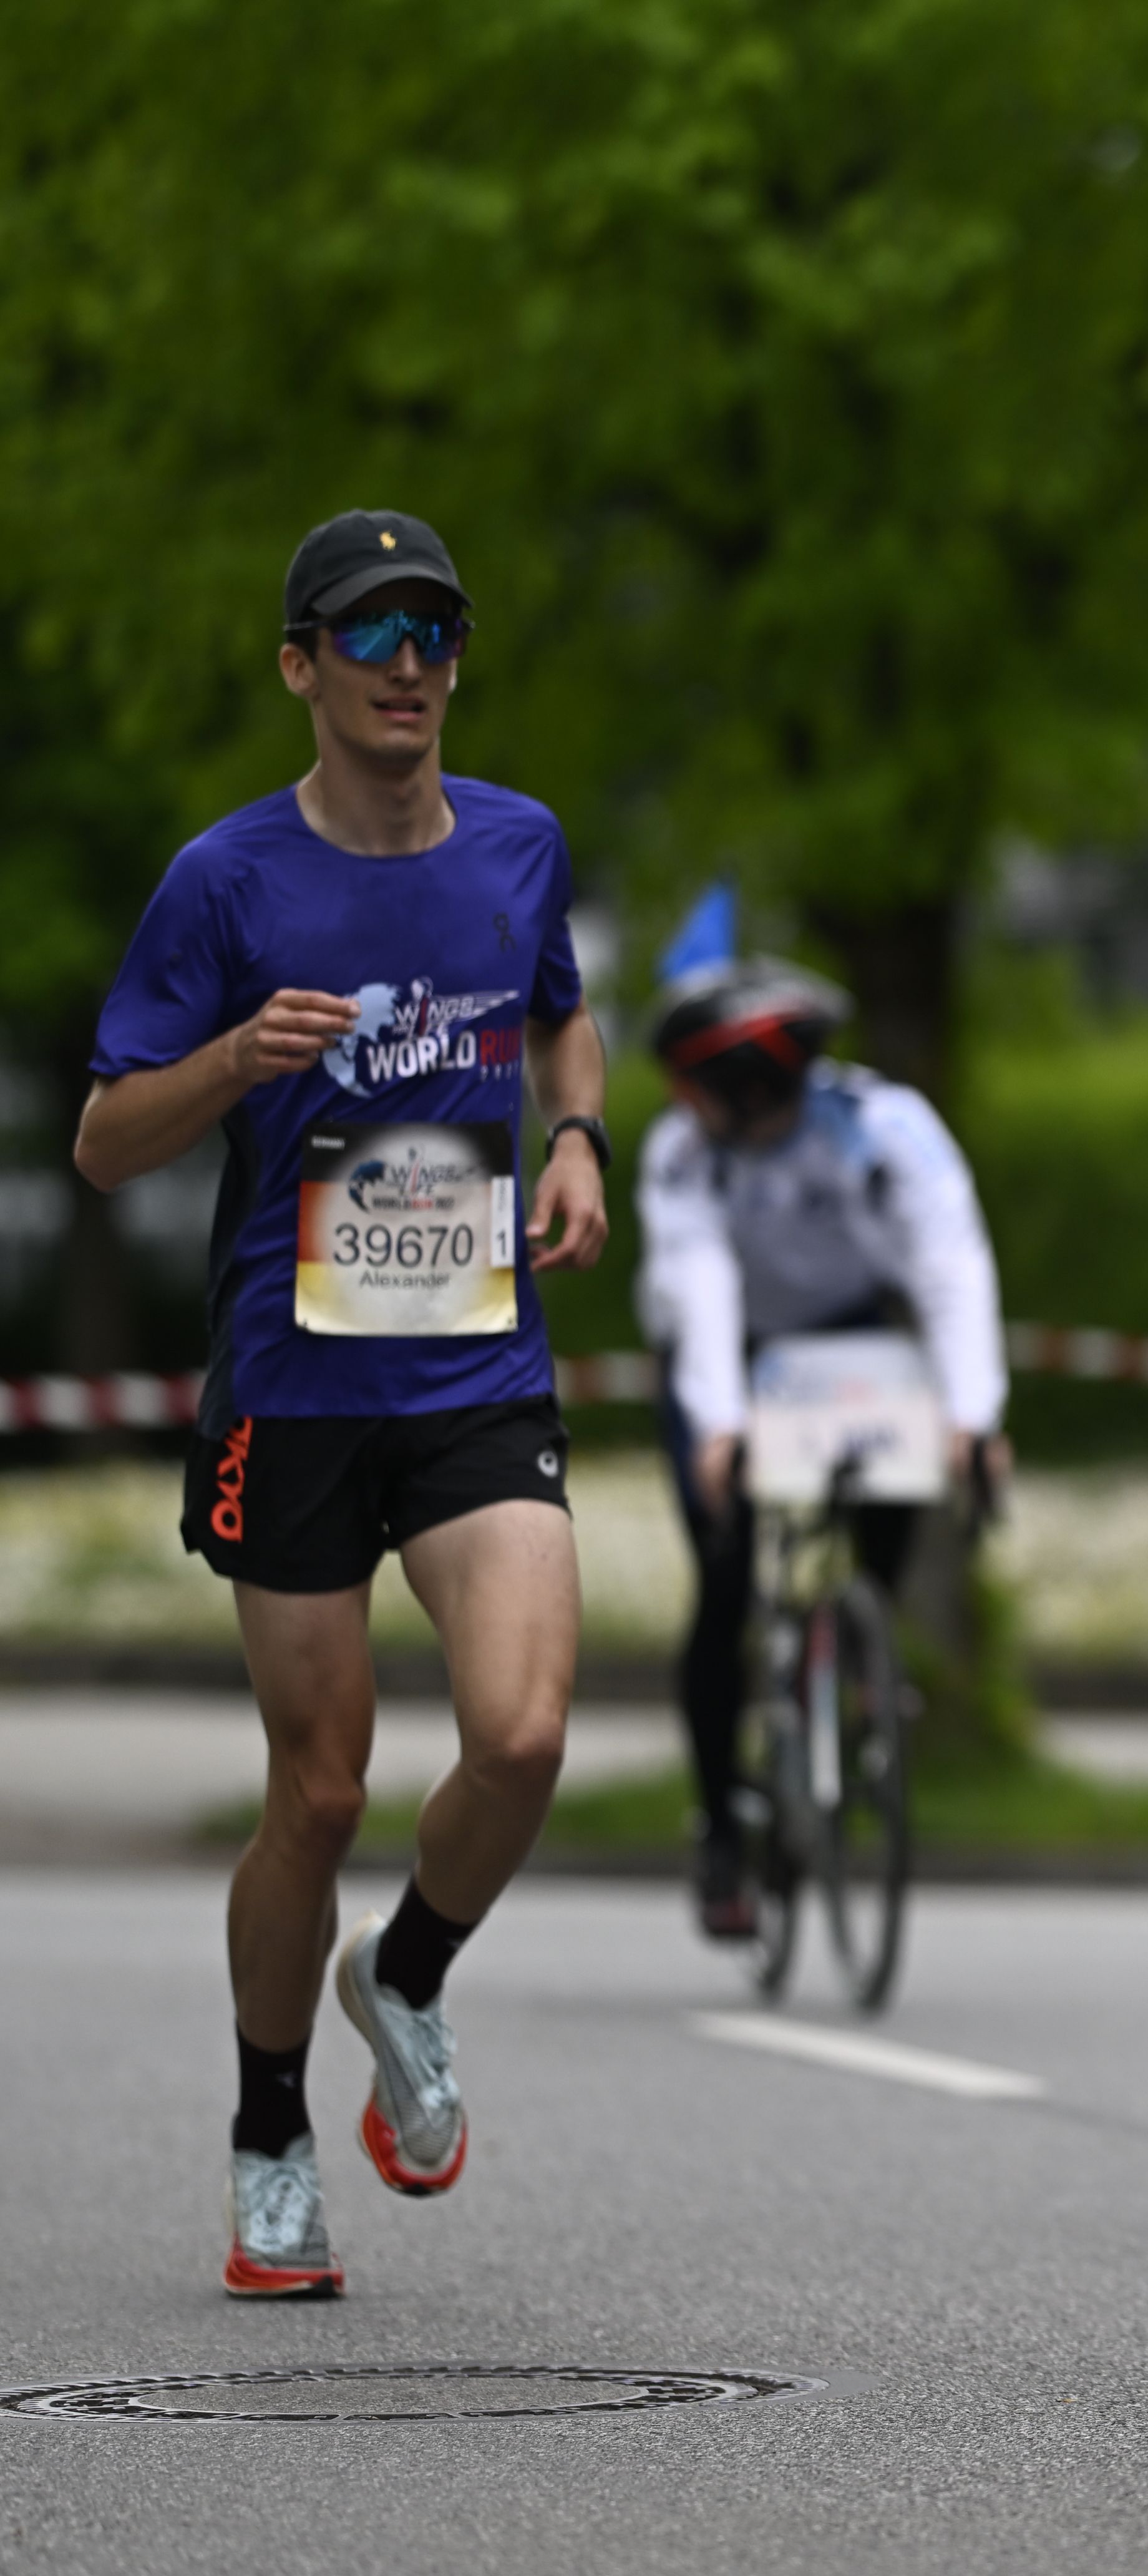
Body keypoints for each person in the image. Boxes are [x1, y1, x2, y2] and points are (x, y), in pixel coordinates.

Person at [74, 509, 613, 2298]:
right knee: (317, 1792)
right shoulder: (225, 883)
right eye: (370, 635)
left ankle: (409, 1971)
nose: (409, 666)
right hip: (294, 1389)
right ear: (300, 665)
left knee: (523, 1735)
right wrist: (239, 1058)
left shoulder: (520, 843)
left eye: (435, 632)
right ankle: (268, 2139)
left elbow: (561, 1012)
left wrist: (581, 1138)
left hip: (475, 1369)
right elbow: (104, 1141)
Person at [635, 954, 1011, 1939]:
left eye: (690, 1083)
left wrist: (974, 1416)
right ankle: (723, 1830)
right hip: (728, 1354)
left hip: (847, 1332)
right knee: (724, 1579)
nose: (678, 1104)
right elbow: (699, 1287)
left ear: (745, 1083)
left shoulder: (885, 1127)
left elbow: (951, 1263)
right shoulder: (683, 1153)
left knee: (905, 1462)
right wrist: (720, 1429)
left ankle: (861, 1649)